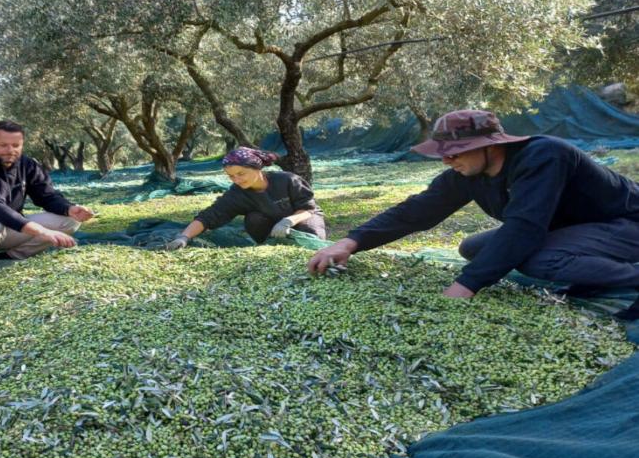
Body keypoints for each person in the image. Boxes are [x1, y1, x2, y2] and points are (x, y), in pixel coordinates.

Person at [307, 109, 639, 312]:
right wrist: (350, 242)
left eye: (455, 152)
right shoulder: (469, 173)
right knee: (473, 248)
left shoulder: (544, 156)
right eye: (443, 153)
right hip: (571, 229)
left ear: (490, 145)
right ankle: (594, 270)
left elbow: (525, 227)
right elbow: (418, 210)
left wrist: (467, 285)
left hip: (623, 223)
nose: (446, 160)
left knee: (537, 260)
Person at [0, 120, 95, 267]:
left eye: (16, 145)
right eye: (3, 145)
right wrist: (42, 231)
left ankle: (9, 257)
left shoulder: (27, 165)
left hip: (6, 228)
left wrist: (69, 208)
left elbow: (47, 196)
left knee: (70, 221)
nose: (10, 150)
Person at [164, 147, 326, 250]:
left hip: (302, 218)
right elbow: (209, 216)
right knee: (253, 219)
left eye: (241, 174)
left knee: (309, 228)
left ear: (257, 168)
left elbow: (308, 209)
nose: (237, 180)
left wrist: (288, 221)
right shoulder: (237, 193)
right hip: (271, 225)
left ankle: (309, 245)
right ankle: (269, 246)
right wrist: (184, 237)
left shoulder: (287, 180)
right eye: (231, 176)